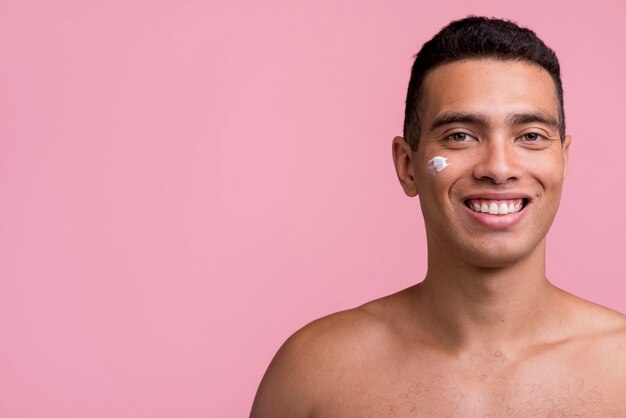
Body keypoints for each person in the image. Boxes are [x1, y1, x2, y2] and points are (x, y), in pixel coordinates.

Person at [250, 16, 626, 417]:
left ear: (563, 160)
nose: (499, 168)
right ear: (407, 165)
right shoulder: (315, 373)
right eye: (460, 135)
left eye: (531, 136)